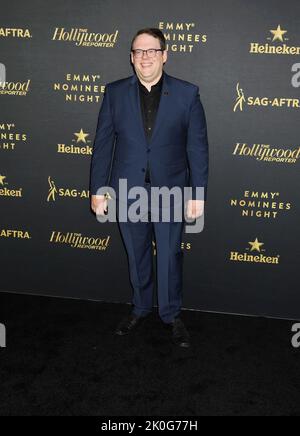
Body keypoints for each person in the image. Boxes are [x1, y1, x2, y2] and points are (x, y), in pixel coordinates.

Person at [90, 28, 209, 348]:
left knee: (169, 255)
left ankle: (171, 315)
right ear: (131, 57)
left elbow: (197, 148)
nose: (145, 56)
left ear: (164, 55)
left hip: (170, 192)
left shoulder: (187, 94)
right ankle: (141, 307)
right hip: (127, 191)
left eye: (151, 50)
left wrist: (197, 193)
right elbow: (102, 144)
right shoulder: (114, 93)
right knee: (136, 253)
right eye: (138, 51)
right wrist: (98, 188)